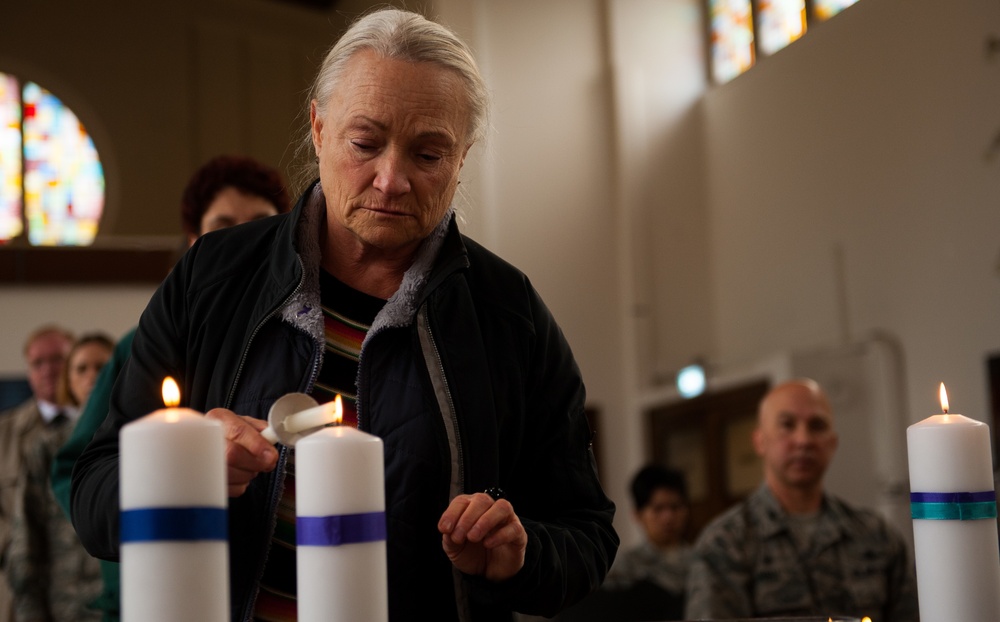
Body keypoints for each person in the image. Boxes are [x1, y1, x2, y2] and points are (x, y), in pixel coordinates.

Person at [70, 8, 618, 622]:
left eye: (428, 154)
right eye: (365, 144)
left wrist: (518, 556)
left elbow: (586, 535)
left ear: (462, 159)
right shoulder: (214, 277)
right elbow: (92, 493)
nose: (391, 180)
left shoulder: (509, 317)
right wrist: (176, 475)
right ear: (319, 128)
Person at [49, 154, 291, 622]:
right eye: (222, 225)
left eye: (259, 223)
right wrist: (160, 492)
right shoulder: (140, 345)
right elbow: (84, 470)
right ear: (194, 238)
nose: (241, 238)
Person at [684, 378, 919, 622]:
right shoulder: (725, 544)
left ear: (832, 442)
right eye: (787, 425)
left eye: (817, 426)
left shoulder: (876, 536)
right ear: (760, 441)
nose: (804, 440)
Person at [7, 333, 113, 621]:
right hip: (66, 607)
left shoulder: (137, 439)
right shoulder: (49, 447)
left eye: (102, 367)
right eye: (81, 369)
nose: (92, 377)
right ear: (69, 381)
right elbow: (26, 542)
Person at [0, 325, 74, 622]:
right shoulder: (4, 434)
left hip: (86, 586)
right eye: (38, 363)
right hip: (22, 589)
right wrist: (19, 546)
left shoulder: (101, 428)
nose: (48, 370)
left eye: (57, 359)